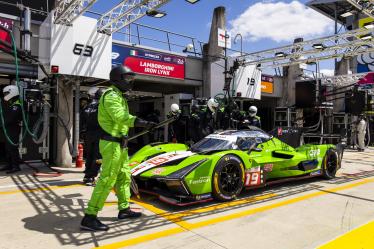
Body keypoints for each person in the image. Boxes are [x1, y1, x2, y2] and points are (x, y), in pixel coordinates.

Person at [80, 66, 157, 232]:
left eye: (131, 79)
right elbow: (120, 117)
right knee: (107, 179)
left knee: (124, 176)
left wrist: (141, 124)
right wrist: (142, 123)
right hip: (111, 143)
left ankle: (124, 209)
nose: (130, 82)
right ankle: (90, 217)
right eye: (128, 78)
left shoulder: (119, 96)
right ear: (117, 79)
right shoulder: (111, 96)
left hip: (120, 143)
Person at [81, 87, 104, 185]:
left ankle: (87, 176)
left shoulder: (87, 107)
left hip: (88, 135)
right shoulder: (102, 106)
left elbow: (82, 122)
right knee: (98, 156)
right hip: (99, 134)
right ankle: (91, 177)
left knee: (89, 155)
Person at [0, 85, 22, 174]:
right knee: (7, 147)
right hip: (9, 129)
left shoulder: (17, 105)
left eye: (7, 93)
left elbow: (11, 118)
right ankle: (9, 164)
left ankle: (15, 166)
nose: (5, 95)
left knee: (12, 147)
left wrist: (2, 123)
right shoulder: (12, 103)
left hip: (14, 129)